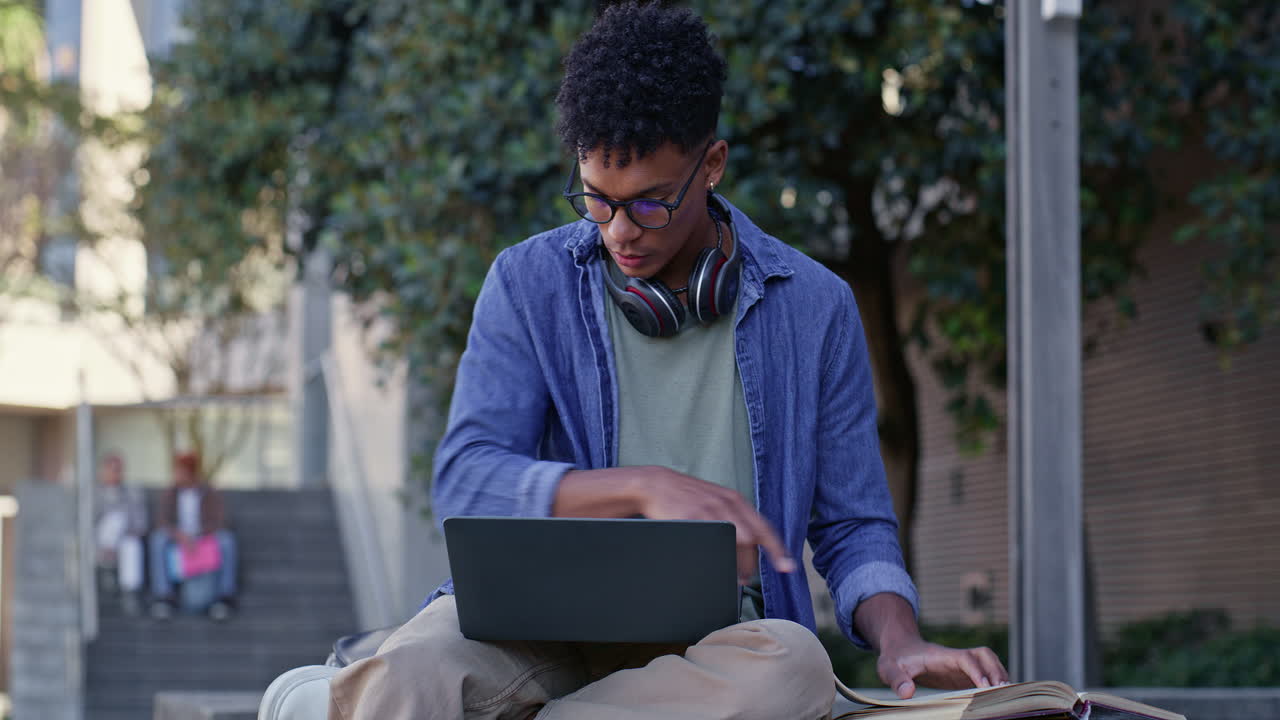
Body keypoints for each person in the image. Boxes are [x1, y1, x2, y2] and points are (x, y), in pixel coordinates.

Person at [329, 3, 1009, 719]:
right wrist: (641, 489)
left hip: (720, 647)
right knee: (409, 670)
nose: (620, 232)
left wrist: (899, 641)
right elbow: (468, 478)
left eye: (651, 204)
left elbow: (852, 525)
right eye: (597, 200)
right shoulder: (528, 283)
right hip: (540, 628)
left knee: (796, 668)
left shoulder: (817, 307)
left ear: (711, 164)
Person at [148, 451, 239, 621]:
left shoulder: (209, 492)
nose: (176, 475)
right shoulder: (170, 493)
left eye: (180, 471)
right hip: (178, 539)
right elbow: (162, 521)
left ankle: (225, 596)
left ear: (190, 472)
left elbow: (222, 520)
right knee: (158, 539)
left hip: (204, 537)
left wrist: (200, 535)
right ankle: (164, 596)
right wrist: (180, 535)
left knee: (226, 541)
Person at [94, 453, 147, 615]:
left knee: (132, 544)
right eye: (111, 469)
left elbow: (141, 524)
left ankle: (129, 592)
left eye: (118, 470)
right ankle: (105, 570)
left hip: (123, 540)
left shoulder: (132, 493)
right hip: (97, 541)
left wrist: (122, 535)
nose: (115, 473)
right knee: (113, 520)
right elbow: (86, 524)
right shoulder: (93, 493)